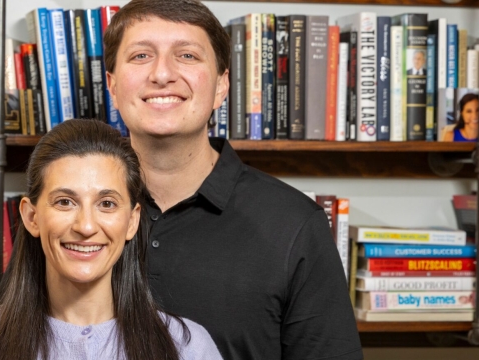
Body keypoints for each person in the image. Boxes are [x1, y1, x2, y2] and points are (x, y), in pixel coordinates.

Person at [104, 1, 362, 358]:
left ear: (222, 85)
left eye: (188, 56)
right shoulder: (67, 217)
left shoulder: (295, 225)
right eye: (141, 55)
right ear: (112, 86)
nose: (162, 74)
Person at [0, 120, 221, 360]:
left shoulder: (188, 347)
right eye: (65, 202)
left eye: (106, 204)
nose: (85, 226)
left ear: (132, 221)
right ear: (32, 217)